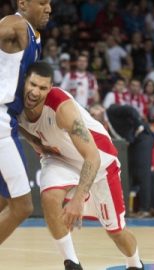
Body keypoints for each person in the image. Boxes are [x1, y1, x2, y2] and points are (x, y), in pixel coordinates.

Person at [19, 61, 144, 270]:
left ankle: (135, 264)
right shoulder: (13, 103)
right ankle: (72, 264)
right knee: (49, 197)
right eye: (32, 84)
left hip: (99, 162)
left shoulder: (61, 108)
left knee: (116, 232)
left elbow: (92, 157)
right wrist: (34, 141)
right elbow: (18, 124)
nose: (35, 92)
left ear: (50, 89)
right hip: (60, 158)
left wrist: (78, 199)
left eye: (42, 88)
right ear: (24, 82)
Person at [0, 0, 51, 244]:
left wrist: (31, 139)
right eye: (42, 2)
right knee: (22, 207)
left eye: (50, 3)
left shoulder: (34, 37)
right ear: (23, 3)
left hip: (7, 122)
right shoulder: (16, 24)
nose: (48, 8)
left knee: (3, 201)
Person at [90, 103, 154, 218]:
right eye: (91, 115)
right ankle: (132, 208)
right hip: (133, 143)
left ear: (100, 109)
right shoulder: (103, 125)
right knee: (130, 173)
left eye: (93, 112)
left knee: (142, 173)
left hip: (142, 137)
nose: (93, 116)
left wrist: (138, 124)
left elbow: (130, 109)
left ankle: (145, 209)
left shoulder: (111, 110)